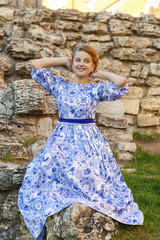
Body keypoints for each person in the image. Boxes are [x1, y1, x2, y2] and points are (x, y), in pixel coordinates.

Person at [18, 45, 144, 240]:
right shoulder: (61, 86)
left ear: (92, 65)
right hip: (63, 138)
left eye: (87, 61)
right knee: (40, 169)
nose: (81, 64)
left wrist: (97, 73)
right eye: (78, 60)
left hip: (88, 140)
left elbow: (121, 83)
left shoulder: (96, 89)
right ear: (73, 62)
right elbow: (35, 65)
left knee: (86, 172)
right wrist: (63, 61)